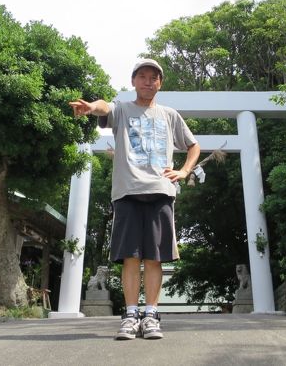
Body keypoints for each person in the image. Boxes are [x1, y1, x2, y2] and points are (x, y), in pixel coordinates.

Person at [69, 59, 200, 340]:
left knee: (154, 258)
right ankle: (130, 315)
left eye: (154, 77)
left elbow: (193, 145)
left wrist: (184, 170)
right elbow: (106, 106)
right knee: (131, 256)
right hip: (127, 192)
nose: (148, 81)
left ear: (160, 83)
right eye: (142, 76)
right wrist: (92, 107)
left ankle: (151, 316)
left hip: (161, 191)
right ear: (133, 81)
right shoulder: (123, 110)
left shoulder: (169, 115)